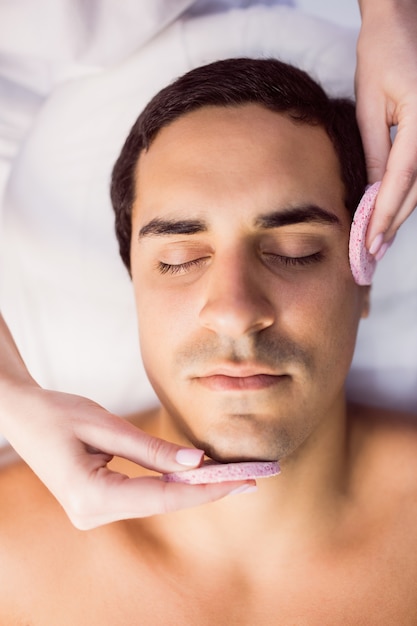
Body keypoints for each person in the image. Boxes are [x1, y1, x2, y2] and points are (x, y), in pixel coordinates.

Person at [1, 57, 417, 624]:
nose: (234, 312)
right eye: (179, 261)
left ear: (362, 278)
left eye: (295, 252)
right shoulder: (11, 557)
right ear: (134, 287)